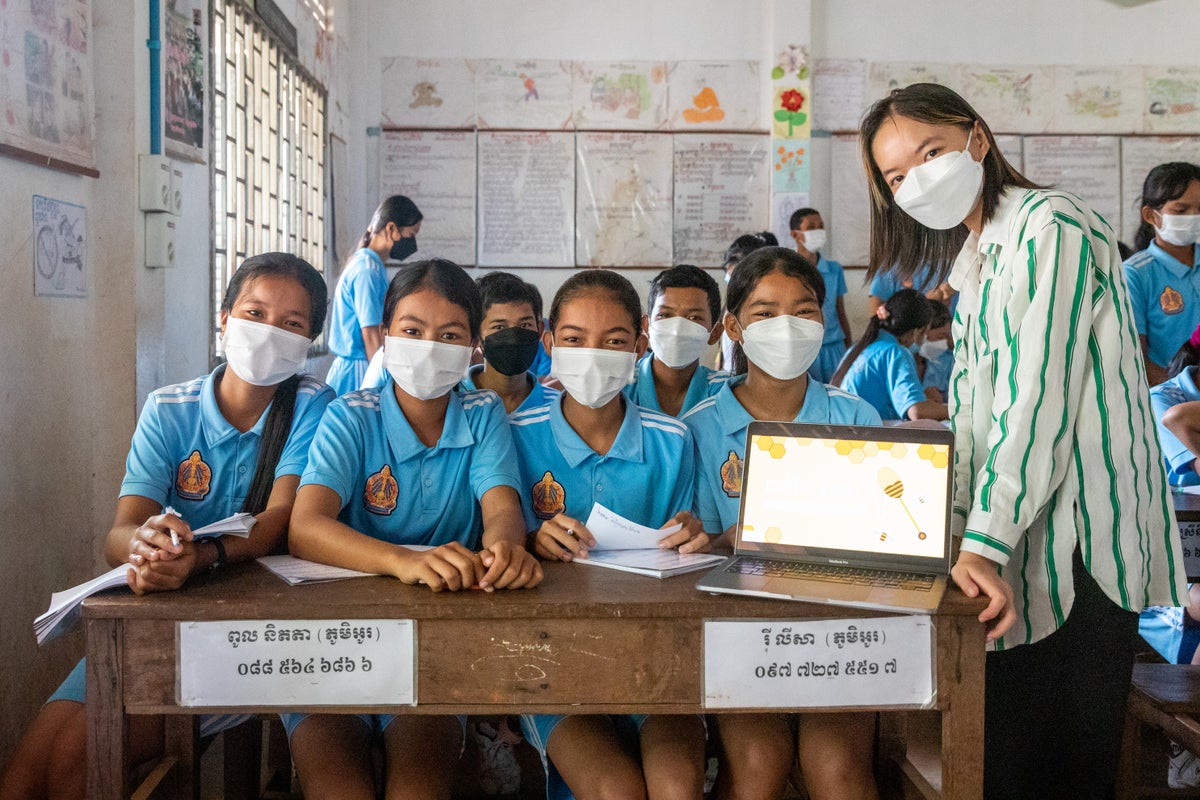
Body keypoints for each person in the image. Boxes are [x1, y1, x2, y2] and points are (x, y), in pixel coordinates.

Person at [860, 81, 1185, 800]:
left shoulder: (1052, 227)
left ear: (977, 140)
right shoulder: (974, 263)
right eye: (897, 175)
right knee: (1002, 757)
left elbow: (1038, 405)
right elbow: (976, 422)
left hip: (1081, 544)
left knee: (1060, 765)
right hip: (1014, 548)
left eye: (931, 152)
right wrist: (953, 533)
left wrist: (982, 542)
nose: (918, 179)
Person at [0, 253, 333, 800]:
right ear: (224, 317)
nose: (269, 332)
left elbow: (280, 521)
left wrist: (200, 559)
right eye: (254, 312)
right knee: (22, 776)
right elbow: (119, 532)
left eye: (292, 324)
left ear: (310, 341)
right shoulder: (168, 409)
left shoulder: (313, 407)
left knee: (73, 764)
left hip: (253, 629)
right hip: (158, 616)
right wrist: (145, 546)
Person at [283, 258, 542, 799]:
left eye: (449, 334)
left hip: (434, 647)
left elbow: (500, 509)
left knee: (419, 789)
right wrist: (403, 559)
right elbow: (305, 527)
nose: (428, 346)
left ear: (474, 345)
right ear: (386, 335)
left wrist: (503, 550)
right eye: (411, 331)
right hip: (335, 644)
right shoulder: (351, 414)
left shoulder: (482, 411)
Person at [682, 246, 881, 800]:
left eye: (805, 310)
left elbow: (881, 532)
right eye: (765, 313)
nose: (786, 327)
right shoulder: (697, 429)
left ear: (823, 321)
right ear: (734, 328)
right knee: (757, 764)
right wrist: (720, 540)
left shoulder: (855, 417)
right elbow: (692, 542)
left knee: (838, 770)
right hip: (738, 632)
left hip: (839, 631)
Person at [510, 269, 708, 800]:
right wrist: (530, 540)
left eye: (615, 342)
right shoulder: (514, 437)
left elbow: (687, 549)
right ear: (549, 343)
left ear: (640, 345)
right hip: (549, 658)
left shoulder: (673, 441)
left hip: (656, 654)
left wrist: (693, 533)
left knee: (677, 785)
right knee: (614, 789)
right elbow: (493, 538)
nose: (593, 355)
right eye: (574, 340)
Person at [326, 195, 422, 395]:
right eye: (411, 234)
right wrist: (380, 381)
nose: (412, 242)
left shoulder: (373, 267)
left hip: (362, 363)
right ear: (392, 229)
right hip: (359, 370)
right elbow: (370, 334)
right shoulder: (366, 271)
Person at [1122, 162, 1200, 386]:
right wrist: (1183, 391)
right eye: (1181, 210)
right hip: (1167, 401)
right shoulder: (1135, 274)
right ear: (1150, 215)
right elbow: (1135, 358)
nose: (1194, 217)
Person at [627, 264, 728, 417]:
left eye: (694, 318)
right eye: (665, 315)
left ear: (715, 333)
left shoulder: (727, 392)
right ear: (646, 326)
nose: (676, 329)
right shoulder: (620, 387)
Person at [832, 289, 948, 422]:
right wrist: (956, 411)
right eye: (924, 334)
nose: (924, 339)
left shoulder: (860, 347)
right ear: (916, 332)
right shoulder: (895, 352)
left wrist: (922, 397)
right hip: (865, 435)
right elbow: (917, 411)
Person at [458, 271, 559, 415]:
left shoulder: (559, 408)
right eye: (499, 327)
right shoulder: (452, 402)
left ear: (540, 330)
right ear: (477, 336)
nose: (514, 336)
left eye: (525, 325)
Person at [788, 208, 852, 382]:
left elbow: (840, 312)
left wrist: (849, 348)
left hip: (834, 347)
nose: (818, 231)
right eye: (811, 227)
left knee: (837, 398)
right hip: (801, 349)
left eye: (821, 226)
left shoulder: (834, 269)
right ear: (795, 235)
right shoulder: (787, 270)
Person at [916, 299, 954, 402]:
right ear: (922, 331)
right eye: (941, 336)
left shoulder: (943, 361)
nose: (945, 342)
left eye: (948, 336)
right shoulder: (902, 360)